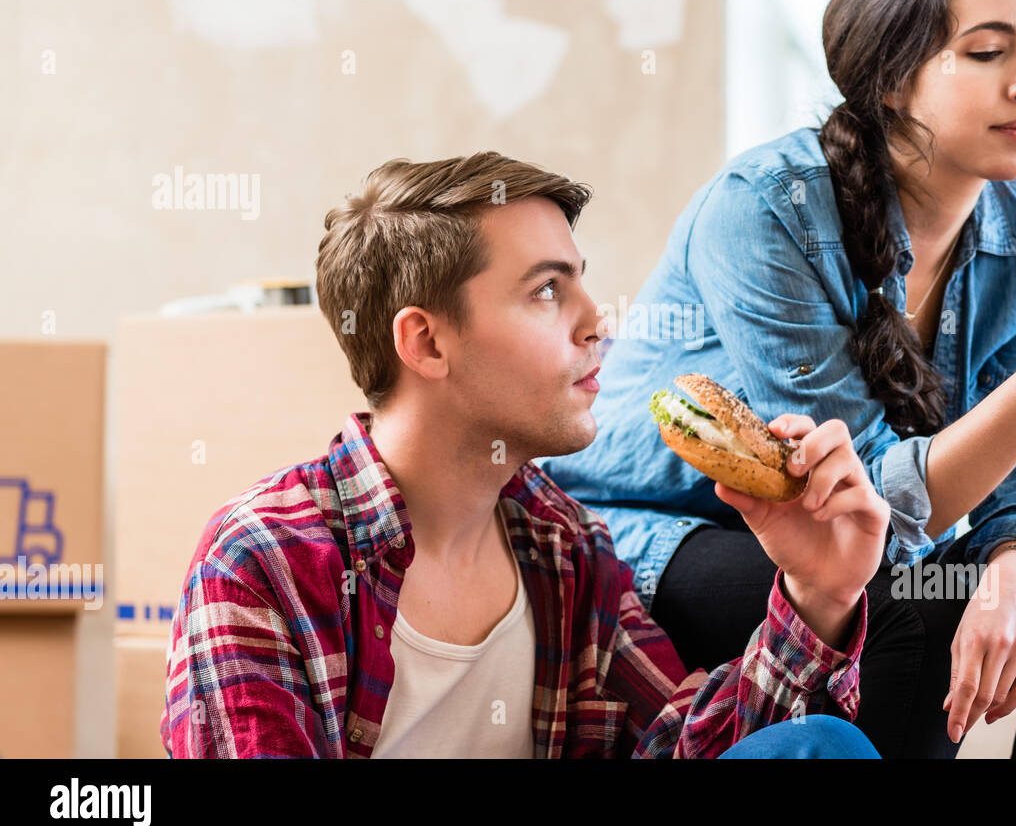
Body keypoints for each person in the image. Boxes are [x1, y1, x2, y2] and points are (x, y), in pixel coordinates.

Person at [539, 0, 1016, 758]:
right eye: (990, 51)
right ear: (892, 80)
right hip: (663, 532)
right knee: (909, 614)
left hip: (844, 541)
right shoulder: (765, 208)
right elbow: (863, 507)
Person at [160, 152, 887, 759]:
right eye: (546, 290)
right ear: (427, 342)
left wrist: (816, 593)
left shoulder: (565, 547)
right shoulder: (264, 560)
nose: (596, 320)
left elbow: (679, 743)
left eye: (579, 279)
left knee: (818, 745)